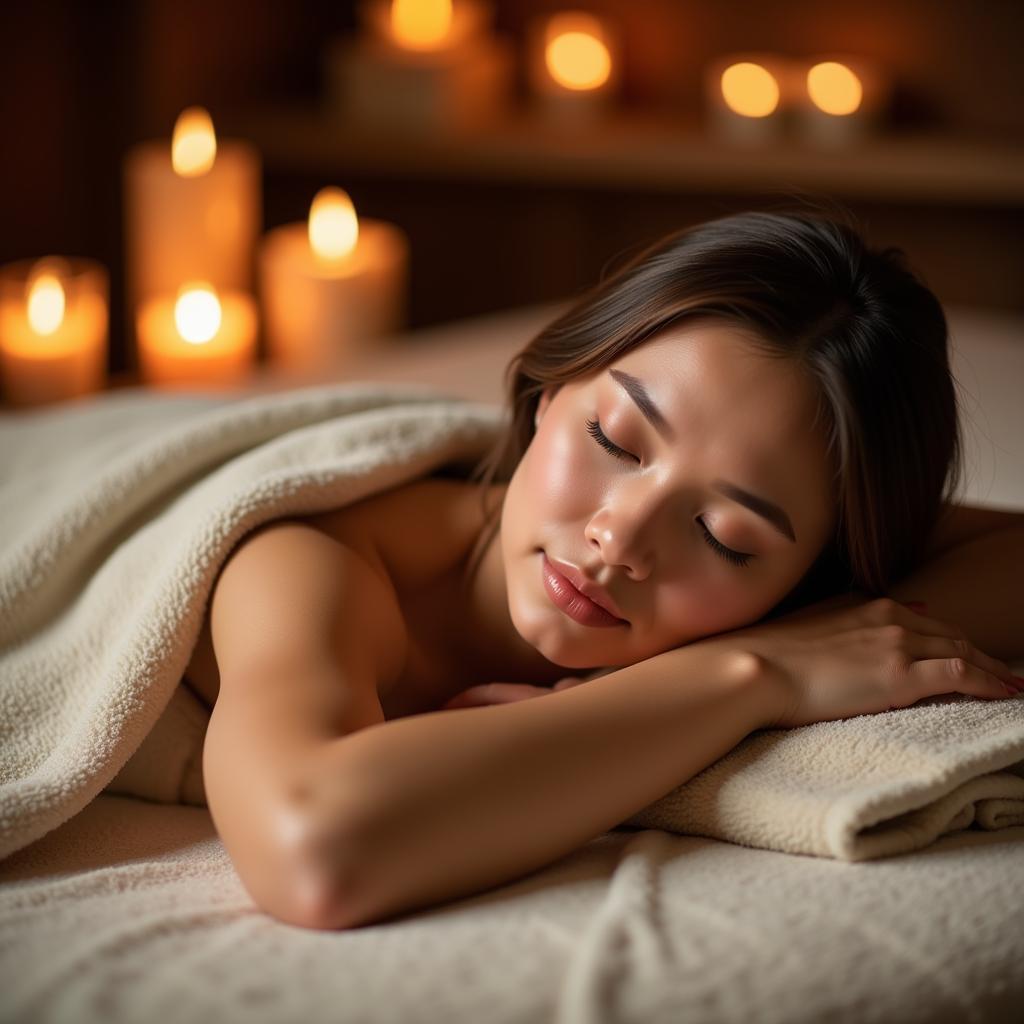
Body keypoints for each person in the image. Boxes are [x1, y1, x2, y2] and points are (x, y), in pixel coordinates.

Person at [193, 207, 1024, 932]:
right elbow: (316, 851)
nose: (619, 536)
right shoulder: (313, 555)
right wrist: (753, 673)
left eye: (726, 534)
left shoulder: (822, 545)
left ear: (813, 578)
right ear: (552, 391)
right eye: (614, 441)